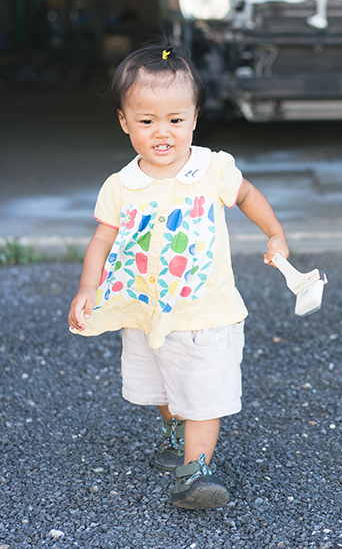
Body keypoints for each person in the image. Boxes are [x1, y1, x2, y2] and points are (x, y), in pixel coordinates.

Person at [68, 44, 289, 510]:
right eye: (146, 121)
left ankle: (197, 471)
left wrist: (274, 234)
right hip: (146, 312)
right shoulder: (121, 185)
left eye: (175, 119)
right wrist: (89, 287)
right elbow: (102, 242)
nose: (162, 132)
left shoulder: (211, 168)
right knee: (163, 384)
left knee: (203, 392)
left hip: (204, 310)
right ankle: (174, 431)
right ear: (124, 121)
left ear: (194, 118)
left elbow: (247, 195)